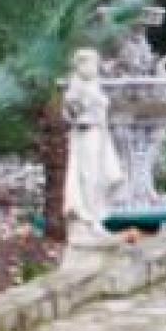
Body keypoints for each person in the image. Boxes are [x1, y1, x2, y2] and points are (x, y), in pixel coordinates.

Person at [61, 48, 125, 245]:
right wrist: (80, 109)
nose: (96, 68)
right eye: (92, 64)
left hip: (99, 135)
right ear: (81, 65)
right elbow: (70, 112)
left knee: (99, 177)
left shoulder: (93, 85)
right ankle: (88, 218)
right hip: (87, 134)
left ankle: (96, 218)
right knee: (89, 177)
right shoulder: (76, 87)